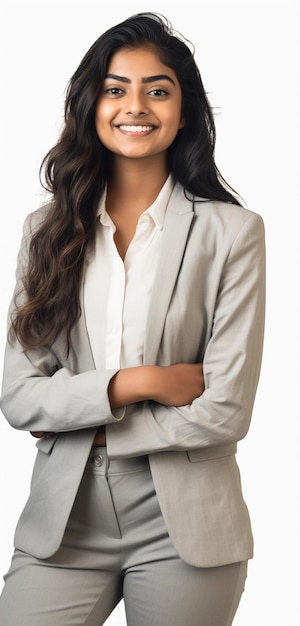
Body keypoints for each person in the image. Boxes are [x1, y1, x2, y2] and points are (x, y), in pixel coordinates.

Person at [0, 12, 265, 626]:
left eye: (158, 89)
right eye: (116, 89)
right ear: (92, 104)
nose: (135, 105)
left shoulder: (231, 233)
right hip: (63, 524)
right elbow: (18, 395)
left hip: (187, 526)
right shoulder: (46, 232)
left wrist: (83, 422)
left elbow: (225, 411)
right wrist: (136, 384)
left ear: (183, 108)